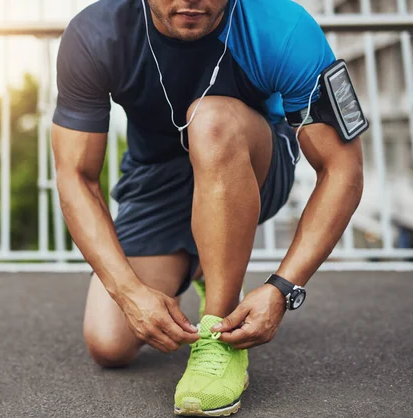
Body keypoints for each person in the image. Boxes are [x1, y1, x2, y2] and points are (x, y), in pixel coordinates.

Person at [51, 0, 364, 416]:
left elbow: (342, 169)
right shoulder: (95, 34)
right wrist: (128, 292)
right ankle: (204, 265)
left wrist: (283, 288)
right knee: (109, 342)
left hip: (251, 161)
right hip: (158, 179)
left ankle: (219, 329)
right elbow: (76, 176)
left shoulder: (281, 27)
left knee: (210, 119)